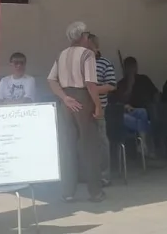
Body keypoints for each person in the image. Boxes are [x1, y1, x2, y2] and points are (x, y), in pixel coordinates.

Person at [47, 21, 106, 203]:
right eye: (87, 34)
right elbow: (90, 83)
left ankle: (68, 192)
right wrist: (98, 105)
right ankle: (95, 191)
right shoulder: (87, 54)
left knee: (67, 146)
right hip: (83, 98)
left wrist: (64, 97)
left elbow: (51, 80)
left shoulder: (62, 54)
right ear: (82, 36)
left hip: (66, 100)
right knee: (90, 146)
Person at [115, 57, 157, 156]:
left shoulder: (144, 79)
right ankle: (144, 145)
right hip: (130, 113)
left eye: (133, 66)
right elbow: (121, 101)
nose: (131, 69)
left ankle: (143, 144)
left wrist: (155, 104)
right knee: (145, 121)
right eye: (129, 67)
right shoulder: (121, 84)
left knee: (144, 112)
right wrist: (130, 86)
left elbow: (155, 93)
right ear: (124, 68)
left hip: (147, 110)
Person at [88, 34, 115, 185]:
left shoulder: (105, 63)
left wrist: (92, 90)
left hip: (99, 109)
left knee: (101, 143)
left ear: (96, 47)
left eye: (89, 46)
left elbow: (111, 85)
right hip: (81, 109)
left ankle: (104, 176)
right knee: (84, 143)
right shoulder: (79, 64)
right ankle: (87, 175)